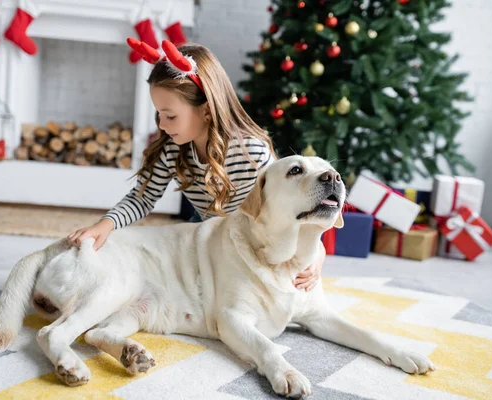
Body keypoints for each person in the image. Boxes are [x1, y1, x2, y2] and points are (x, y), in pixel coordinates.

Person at [67, 38, 324, 291]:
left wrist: (318, 255)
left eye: (170, 116)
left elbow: (288, 209)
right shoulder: (173, 149)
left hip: (255, 245)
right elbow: (142, 199)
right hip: (209, 240)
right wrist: (105, 225)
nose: (162, 125)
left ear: (206, 110)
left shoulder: (252, 154)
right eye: (159, 114)